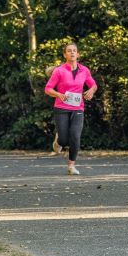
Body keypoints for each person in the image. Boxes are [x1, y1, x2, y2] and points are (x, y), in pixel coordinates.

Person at [43, 42, 97, 175]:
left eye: (74, 50)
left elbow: (93, 85)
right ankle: (58, 140)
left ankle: (71, 166)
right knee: (64, 140)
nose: (72, 52)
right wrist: (58, 94)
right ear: (65, 54)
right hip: (61, 108)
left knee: (75, 136)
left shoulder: (84, 70)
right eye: (69, 51)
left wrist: (91, 91)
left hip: (78, 108)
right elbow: (48, 89)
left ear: (78, 54)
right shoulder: (59, 71)